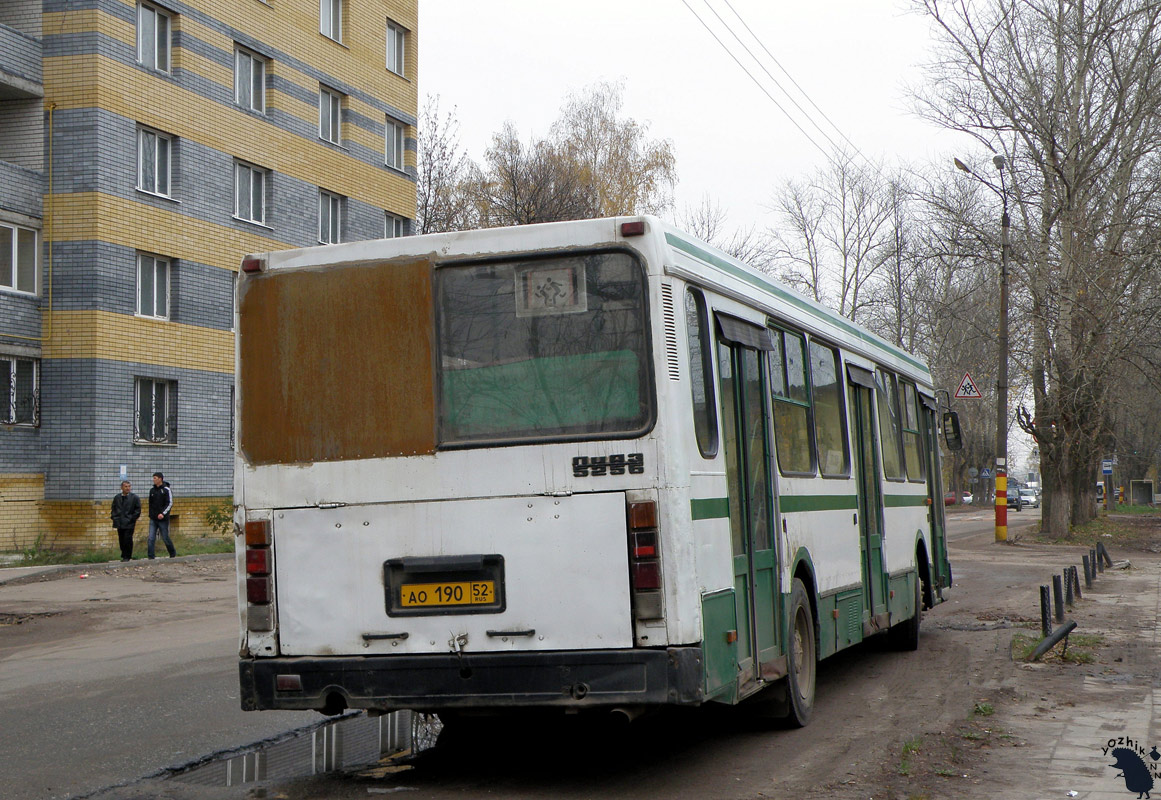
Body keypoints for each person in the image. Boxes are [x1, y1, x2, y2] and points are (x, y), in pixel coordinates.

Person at [147, 472, 177, 559]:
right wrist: (151, 514)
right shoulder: (152, 490)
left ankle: (172, 553)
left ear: (160, 479)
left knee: (165, 537)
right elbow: (150, 504)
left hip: (163, 519)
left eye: (155, 478)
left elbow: (169, 503)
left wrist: (163, 513)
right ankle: (151, 556)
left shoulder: (166, 490)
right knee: (151, 538)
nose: (154, 480)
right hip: (153, 518)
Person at [110, 480, 141, 562]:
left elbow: (137, 510)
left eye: (129, 486)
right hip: (119, 522)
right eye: (126, 486)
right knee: (121, 539)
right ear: (122, 487)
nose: (128, 488)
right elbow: (114, 508)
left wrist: (132, 519)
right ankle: (123, 555)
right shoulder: (117, 497)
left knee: (128, 539)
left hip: (129, 522)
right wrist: (114, 517)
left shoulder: (134, 498)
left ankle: (127, 556)